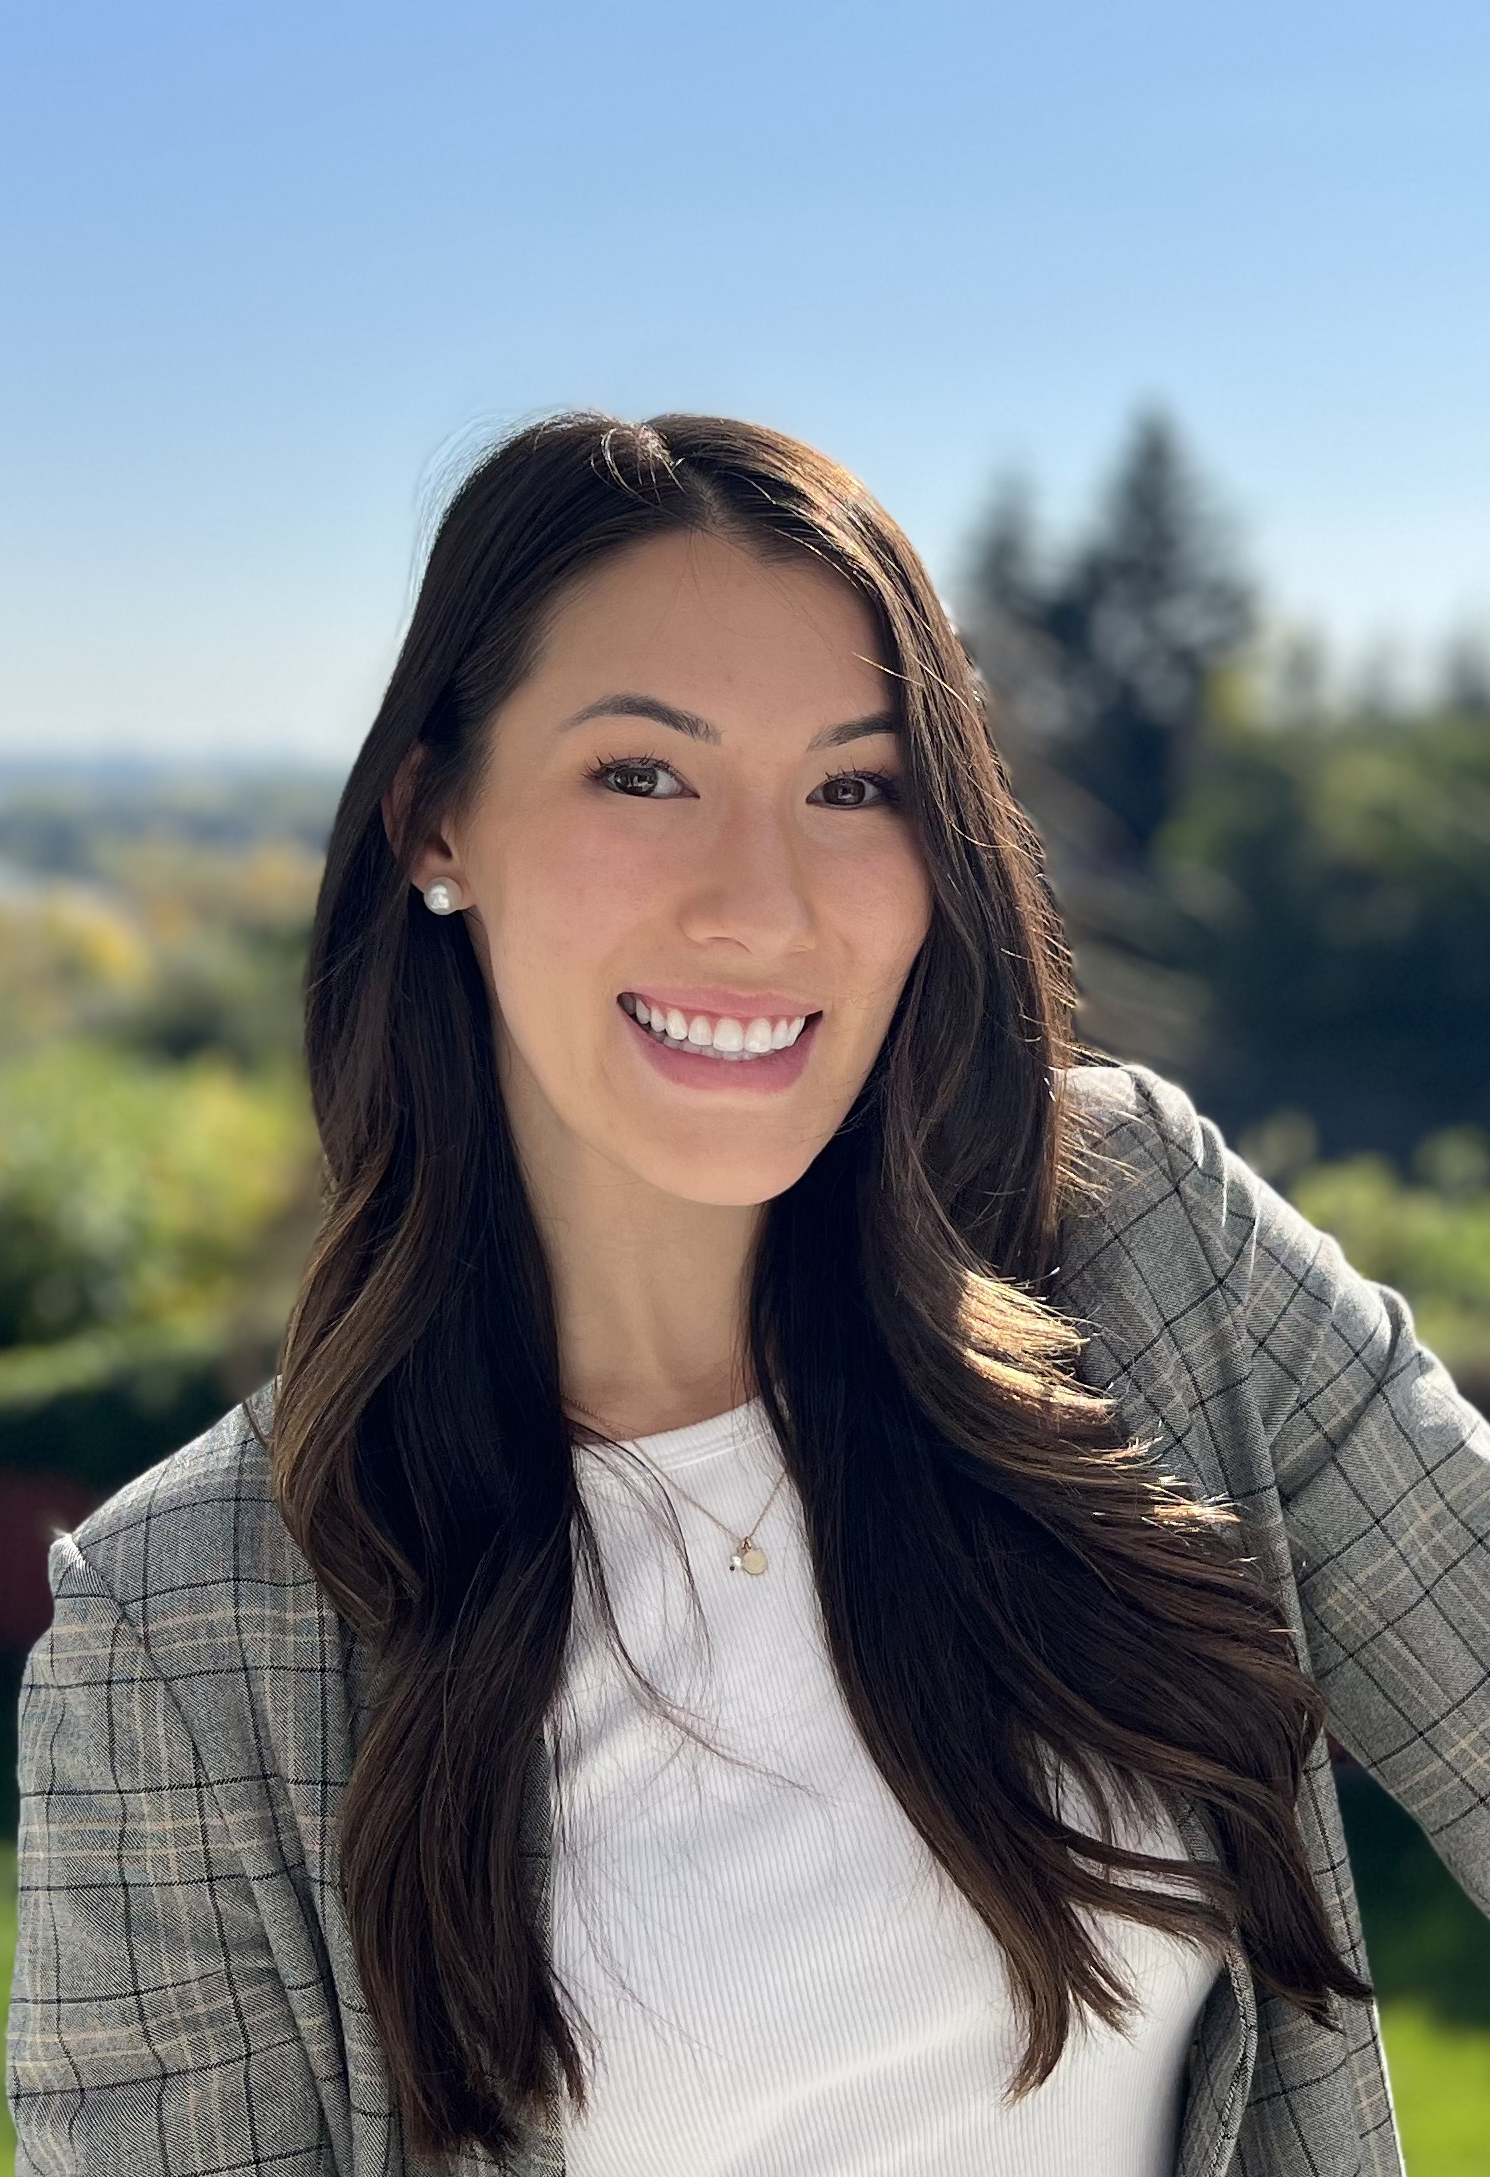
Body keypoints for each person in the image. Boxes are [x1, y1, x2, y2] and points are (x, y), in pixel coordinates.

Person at [7, 412, 1488, 2177]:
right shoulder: (182, 1633)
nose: (763, 905)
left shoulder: (1144, 1240)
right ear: (432, 822)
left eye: (854, 787)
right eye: (642, 774)